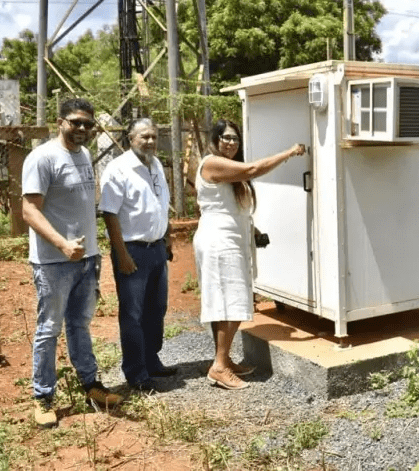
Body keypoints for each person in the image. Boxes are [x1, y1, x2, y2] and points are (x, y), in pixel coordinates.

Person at [22, 98, 123, 428]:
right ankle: (43, 397)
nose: (82, 129)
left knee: (79, 325)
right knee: (49, 329)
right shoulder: (42, 158)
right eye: (75, 122)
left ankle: (91, 386)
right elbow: (29, 210)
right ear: (60, 121)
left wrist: (88, 250)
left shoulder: (82, 155)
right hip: (54, 262)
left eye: (88, 124)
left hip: (86, 259)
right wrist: (63, 244)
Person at [194, 119, 305, 390]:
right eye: (226, 138)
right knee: (228, 302)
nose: (231, 143)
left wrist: (253, 229)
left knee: (232, 300)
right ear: (215, 139)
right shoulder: (211, 163)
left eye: (235, 139)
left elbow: (232, 208)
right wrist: (290, 152)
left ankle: (224, 359)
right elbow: (253, 168)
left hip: (232, 239)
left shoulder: (230, 174)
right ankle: (219, 367)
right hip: (219, 242)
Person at [99, 118, 174, 394]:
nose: (151, 142)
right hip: (131, 250)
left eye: (154, 136)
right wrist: (121, 254)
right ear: (130, 139)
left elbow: (161, 206)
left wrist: (167, 239)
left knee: (157, 309)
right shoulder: (118, 169)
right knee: (133, 314)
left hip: (156, 249)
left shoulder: (155, 166)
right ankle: (136, 373)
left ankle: (151, 360)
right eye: (144, 137)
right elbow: (109, 214)